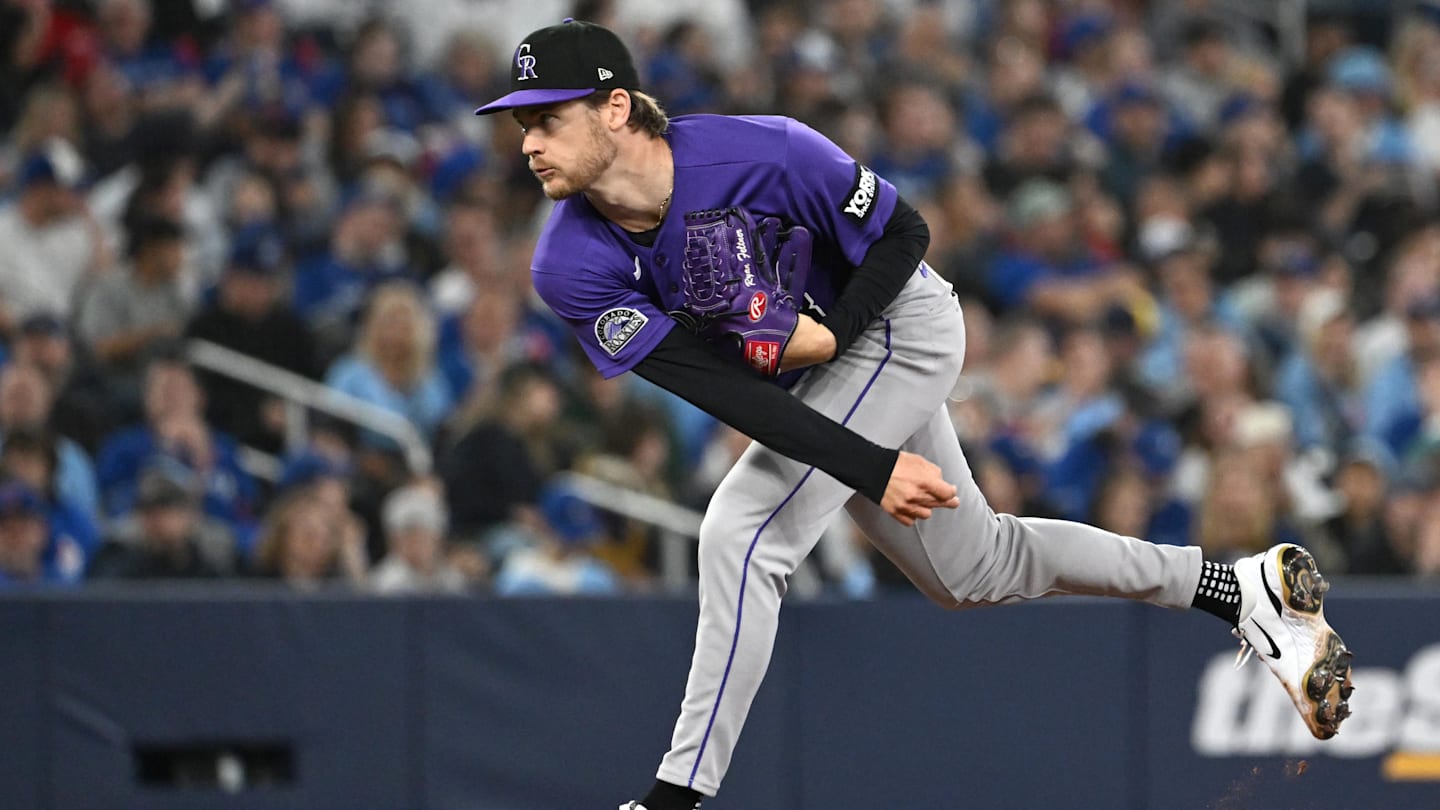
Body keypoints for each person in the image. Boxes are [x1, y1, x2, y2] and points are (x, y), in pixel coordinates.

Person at [473, 21, 1355, 810]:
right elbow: (725, 392)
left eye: (546, 118)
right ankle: (1236, 590)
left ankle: (675, 800)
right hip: (809, 388)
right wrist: (865, 455)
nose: (530, 144)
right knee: (976, 568)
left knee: (740, 535)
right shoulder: (569, 265)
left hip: (900, 323)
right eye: (522, 126)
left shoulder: (769, 150)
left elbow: (907, 234)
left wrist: (834, 336)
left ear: (616, 108)